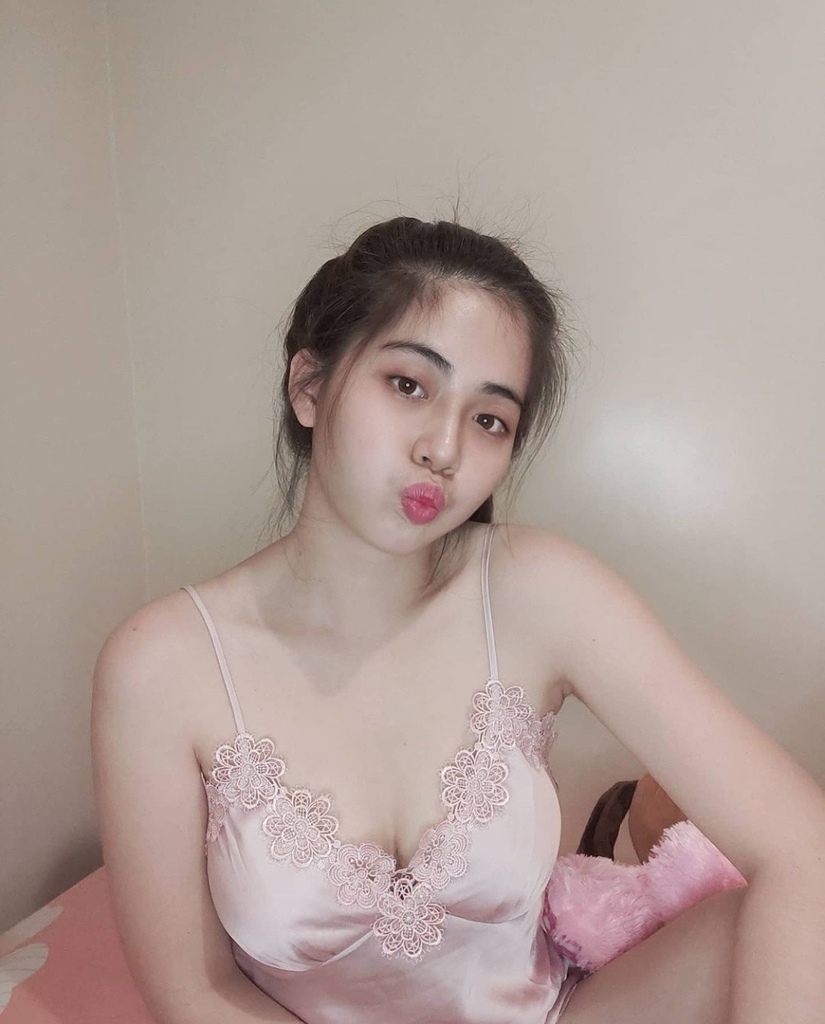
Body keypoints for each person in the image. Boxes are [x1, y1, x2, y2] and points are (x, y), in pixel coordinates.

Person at [92, 216, 825, 1024]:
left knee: (763, 929)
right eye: (408, 384)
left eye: (488, 420)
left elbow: (802, 850)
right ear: (309, 387)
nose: (443, 449)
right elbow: (192, 989)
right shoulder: (161, 664)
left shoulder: (538, 588)